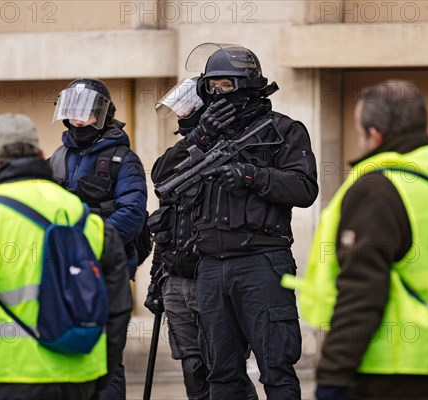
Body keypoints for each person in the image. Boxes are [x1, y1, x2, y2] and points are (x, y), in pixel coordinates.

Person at [307, 80, 428, 400]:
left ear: (375, 134)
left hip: (397, 374)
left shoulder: (377, 187)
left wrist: (332, 375)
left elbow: (361, 292)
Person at [0, 113, 132, 400]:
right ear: (40, 156)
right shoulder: (87, 219)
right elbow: (116, 310)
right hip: (78, 383)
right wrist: (100, 376)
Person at [162, 43, 318, 399]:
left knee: (276, 369)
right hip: (211, 269)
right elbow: (163, 181)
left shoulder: (284, 130)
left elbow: (304, 187)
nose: (217, 94)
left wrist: (252, 177)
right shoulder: (206, 134)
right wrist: (200, 134)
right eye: (211, 87)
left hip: (261, 263)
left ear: (247, 85)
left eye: (225, 86)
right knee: (220, 373)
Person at [146, 78, 259, 400]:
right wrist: (157, 281)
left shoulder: (229, 149)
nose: (182, 117)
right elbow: (163, 216)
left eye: (187, 110)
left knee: (224, 370)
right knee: (192, 369)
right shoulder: (182, 153)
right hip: (176, 279)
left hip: (210, 276)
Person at [48, 78, 147, 400]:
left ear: (101, 116)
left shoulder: (123, 159)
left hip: (104, 269)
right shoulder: (58, 157)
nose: (78, 121)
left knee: (105, 356)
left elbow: (131, 216)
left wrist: (87, 247)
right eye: (72, 113)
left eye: (86, 114)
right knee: (63, 347)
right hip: (62, 271)